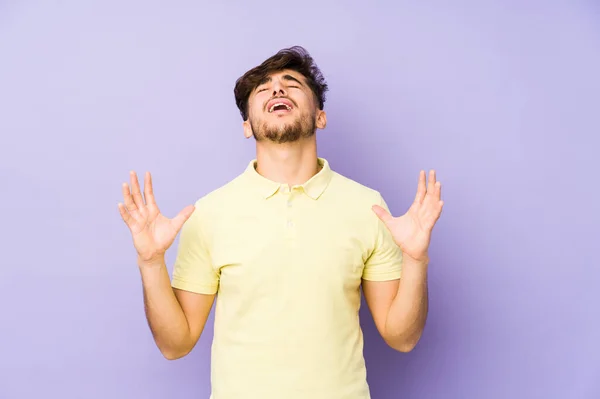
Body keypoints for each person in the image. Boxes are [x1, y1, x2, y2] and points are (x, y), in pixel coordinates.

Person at [118, 46, 443, 399]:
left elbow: (403, 337)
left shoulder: (368, 207)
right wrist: (150, 262)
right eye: (263, 88)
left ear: (320, 116)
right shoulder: (210, 212)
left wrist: (416, 259)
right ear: (247, 126)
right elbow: (175, 345)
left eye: (291, 84)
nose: (277, 90)